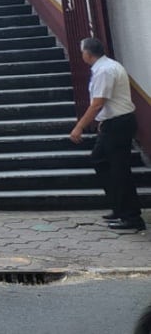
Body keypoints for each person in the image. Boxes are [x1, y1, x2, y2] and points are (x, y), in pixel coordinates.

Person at [70, 38, 145, 231]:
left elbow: (97, 103)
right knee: (99, 160)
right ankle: (119, 207)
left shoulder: (104, 71)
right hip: (112, 123)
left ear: (88, 53)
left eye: (82, 52)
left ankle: (131, 217)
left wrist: (79, 126)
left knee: (120, 170)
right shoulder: (107, 66)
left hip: (118, 124)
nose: (82, 55)